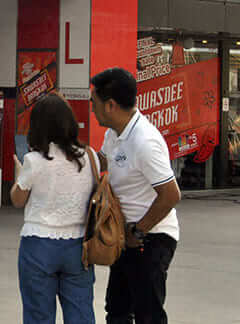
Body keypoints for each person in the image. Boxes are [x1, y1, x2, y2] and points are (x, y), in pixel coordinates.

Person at [90, 68, 181, 324]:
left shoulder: (144, 141)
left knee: (147, 315)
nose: (92, 110)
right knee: (117, 311)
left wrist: (139, 232)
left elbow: (171, 194)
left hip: (151, 238)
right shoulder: (114, 134)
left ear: (111, 105)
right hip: (125, 235)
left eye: (94, 103)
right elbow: (102, 162)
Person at [10, 93, 97, 324]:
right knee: (81, 313)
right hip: (78, 245)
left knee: (38, 315)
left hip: (38, 244)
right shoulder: (90, 157)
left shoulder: (34, 161)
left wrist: (19, 175)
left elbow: (18, 200)